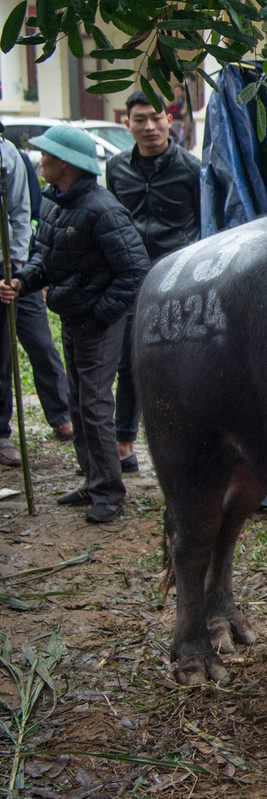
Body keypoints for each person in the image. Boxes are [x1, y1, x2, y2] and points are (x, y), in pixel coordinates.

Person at [0, 125, 149, 523]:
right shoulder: (56, 203)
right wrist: (23, 281)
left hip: (97, 324)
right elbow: (45, 259)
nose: (40, 161)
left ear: (65, 163)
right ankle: (93, 478)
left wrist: (100, 314)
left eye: (46, 156)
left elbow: (136, 272)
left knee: (95, 405)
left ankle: (111, 493)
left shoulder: (103, 209)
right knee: (79, 402)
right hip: (72, 316)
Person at [105, 89, 203, 474]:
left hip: (178, 282)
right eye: (140, 119)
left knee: (182, 364)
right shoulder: (116, 169)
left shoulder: (191, 169)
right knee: (129, 361)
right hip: (130, 279)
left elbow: (206, 225)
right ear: (127, 124)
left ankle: (188, 447)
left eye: (156, 117)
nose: (149, 126)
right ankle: (124, 443)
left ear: (170, 118)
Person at [0, 122, 71, 467]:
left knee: (41, 343)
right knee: (0, 354)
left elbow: (21, 213)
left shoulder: (8, 156)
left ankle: (61, 413)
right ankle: (1, 432)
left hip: (15, 270)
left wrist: (14, 267)